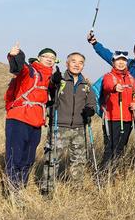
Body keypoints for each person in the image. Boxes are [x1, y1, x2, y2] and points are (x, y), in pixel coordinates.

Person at [4, 43, 56, 196]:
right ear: (39, 58)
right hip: (19, 118)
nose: (49, 59)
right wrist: (15, 55)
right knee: (15, 156)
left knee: (28, 158)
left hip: (36, 121)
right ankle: (13, 191)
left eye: (53, 58)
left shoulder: (50, 78)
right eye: (46, 56)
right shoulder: (31, 71)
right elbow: (19, 68)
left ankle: (21, 189)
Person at [40, 52, 96, 193]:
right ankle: (47, 189)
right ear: (67, 63)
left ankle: (77, 188)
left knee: (78, 160)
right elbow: (49, 91)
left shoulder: (86, 84)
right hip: (59, 126)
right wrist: (54, 81)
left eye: (80, 62)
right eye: (73, 61)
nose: (77, 64)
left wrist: (90, 110)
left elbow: (91, 102)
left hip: (79, 128)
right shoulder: (60, 80)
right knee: (52, 159)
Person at [99, 52, 135, 171]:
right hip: (112, 118)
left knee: (121, 147)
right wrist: (115, 87)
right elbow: (107, 86)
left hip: (127, 118)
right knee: (110, 147)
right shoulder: (109, 76)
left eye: (123, 60)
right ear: (113, 62)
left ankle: (115, 171)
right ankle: (104, 174)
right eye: (118, 60)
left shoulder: (131, 78)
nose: (121, 63)